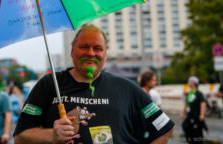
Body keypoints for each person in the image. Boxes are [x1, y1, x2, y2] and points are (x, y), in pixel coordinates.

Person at [14, 24, 174, 144]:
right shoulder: (50, 84)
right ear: (72, 50)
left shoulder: (126, 88)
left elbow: (164, 127)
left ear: (105, 53)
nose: (91, 53)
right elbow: (20, 137)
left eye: (98, 48)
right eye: (84, 47)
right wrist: (52, 135)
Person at [180, 76, 207, 144]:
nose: (188, 82)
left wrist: (202, 114)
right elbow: (186, 104)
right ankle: (189, 141)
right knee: (185, 126)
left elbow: (203, 104)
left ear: (193, 83)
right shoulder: (189, 93)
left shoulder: (199, 94)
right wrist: (182, 113)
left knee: (197, 132)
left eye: (189, 81)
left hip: (197, 116)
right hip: (190, 115)